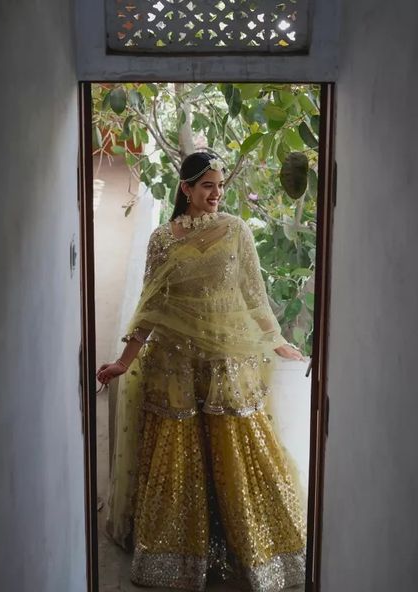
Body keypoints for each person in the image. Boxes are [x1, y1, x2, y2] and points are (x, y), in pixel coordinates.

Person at [97, 151, 307, 592]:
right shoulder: (160, 240)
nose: (216, 194)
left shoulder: (236, 231)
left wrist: (277, 340)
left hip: (226, 362)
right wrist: (124, 361)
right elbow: (150, 306)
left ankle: (259, 551)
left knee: (238, 450)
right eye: (207, 185)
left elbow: (254, 294)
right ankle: (176, 559)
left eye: (220, 186)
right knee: (180, 458)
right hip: (175, 364)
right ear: (185, 189)